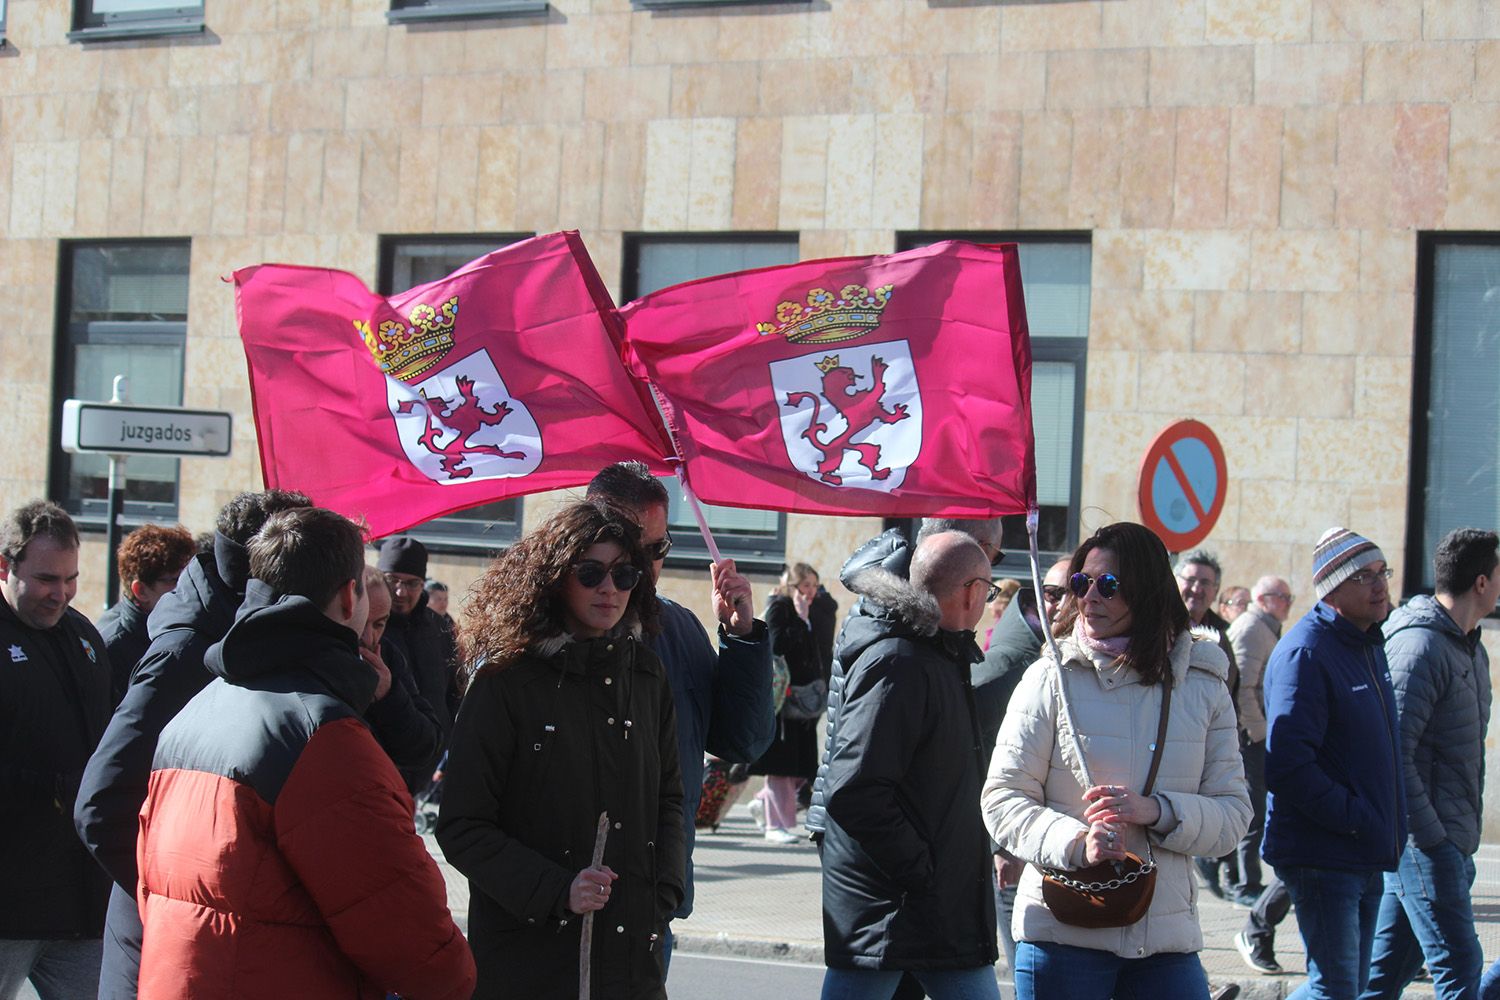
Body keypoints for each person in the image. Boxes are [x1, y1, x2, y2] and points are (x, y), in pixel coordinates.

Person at [135, 506, 474, 998]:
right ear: (348, 595)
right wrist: (459, 976)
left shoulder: (196, 710)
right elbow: (414, 938)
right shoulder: (320, 735)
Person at [983, 522, 1251, 1000]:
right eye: (1081, 584)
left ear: (1146, 590)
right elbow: (1002, 798)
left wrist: (1158, 812)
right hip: (1062, 933)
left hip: (1165, 943)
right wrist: (1075, 842)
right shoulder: (1050, 677)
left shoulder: (1203, 685)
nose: (1089, 598)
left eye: (1108, 585)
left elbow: (1233, 816)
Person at [437, 501, 684, 999]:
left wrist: (663, 894)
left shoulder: (647, 675)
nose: (609, 589)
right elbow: (463, 825)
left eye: (625, 573)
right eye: (590, 573)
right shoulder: (506, 681)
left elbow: (671, 800)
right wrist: (557, 890)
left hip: (631, 958)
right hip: (532, 959)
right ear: (555, 579)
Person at [74, 489, 312, 1000]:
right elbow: (99, 804)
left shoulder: (239, 631)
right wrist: (168, 897)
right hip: (160, 949)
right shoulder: (187, 650)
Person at [584, 462, 773, 957]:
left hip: (653, 898)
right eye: (632, 547)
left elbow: (741, 741)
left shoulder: (679, 628)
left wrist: (742, 638)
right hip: (567, 900)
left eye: (659, 549)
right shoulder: (543, 633)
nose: (648, 566)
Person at [820, 531, 1000, 1000]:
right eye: (990, 589)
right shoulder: (899, 661)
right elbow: (855, 789)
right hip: (893, 911)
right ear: (971, 592)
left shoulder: (939, 653)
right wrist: (922, 869)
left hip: (936, 910)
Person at [1264, 527, 1403, 1000]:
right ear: (1332, 588)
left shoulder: (1367, 644)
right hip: (1323, 854)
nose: (1379, 584)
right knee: (1337, 988)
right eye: (1363, 576)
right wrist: (1356, 817)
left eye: (1382, 571)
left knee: (1348, 987)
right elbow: (1287, 766)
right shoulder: (1307, 652)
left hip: (1363, 849)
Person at [1361, 528, 1498, 1000]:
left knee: (1377, 982)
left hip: (1449, 841)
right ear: (1481, 582)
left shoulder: (1470, 647)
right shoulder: (1420, 646)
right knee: (1461, 968)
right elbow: (1390, 753)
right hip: (1423, 844)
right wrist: (1433, 838)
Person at [0, 501, 112, 1000]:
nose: (61, 593)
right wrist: (56, 790)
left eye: (71, 579)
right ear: (5, 567)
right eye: (47, 578)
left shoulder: (84, 636)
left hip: (81, 902)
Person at [972, 556, 1071, 978]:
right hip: (1015, 844)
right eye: (1051, 593)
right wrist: (1000, 845)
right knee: (1031, 968)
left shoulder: (1068, 656)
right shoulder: (1009, 665)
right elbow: (978, 757)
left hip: (1065, 839)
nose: (1065, 602)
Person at [1229, 574, 1296, 974]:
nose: (1288, 603)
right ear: (1263, 598)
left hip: (1260, 734)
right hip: (1254, 737)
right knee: (1253, 809)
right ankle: (1245, 884)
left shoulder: (1266, 629)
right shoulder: (1253, 629)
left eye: (1289, 598)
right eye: (1282, 597)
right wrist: (1260, 732)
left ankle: (1249, 888)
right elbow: (1244, 688)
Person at [1176, 548, 1244, 903]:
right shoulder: (1157, 626)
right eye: (1190, 579)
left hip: (1206, 750)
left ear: (1216, 591)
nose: (1196, 588)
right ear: (1176, 581)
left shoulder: (1222, 634)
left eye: (1206, 583)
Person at [749, 562, 825, 844]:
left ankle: (762, 802)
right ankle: (775, 824)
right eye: (806, 586)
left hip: (802, 700)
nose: (811, 592)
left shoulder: (805, 611)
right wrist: (801, 620)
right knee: (781, 767)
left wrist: (806, 620)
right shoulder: (780, 606)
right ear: (793, 586)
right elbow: (777, 645)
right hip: (784, 699)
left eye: (815, 587)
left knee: (801, 768)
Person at [379, 537, 460, 794]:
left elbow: (454, 689)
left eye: (412, 583)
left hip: (427, 764)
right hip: (382, 765)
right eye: (393, 580)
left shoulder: (439, 628)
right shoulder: (369, 627)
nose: (401, 592)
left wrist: (445, 737)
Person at [97, 523, 195, 704]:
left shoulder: (190, 627)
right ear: (140, 591)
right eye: (175, 580)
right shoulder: (109, 650)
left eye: (189, 576)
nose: (187, 587)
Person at [360, 566, 442, 773]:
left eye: (379, 624)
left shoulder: (387, 655)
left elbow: (424, 744)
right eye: (359, 622)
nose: (368, 637)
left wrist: (388, 694)